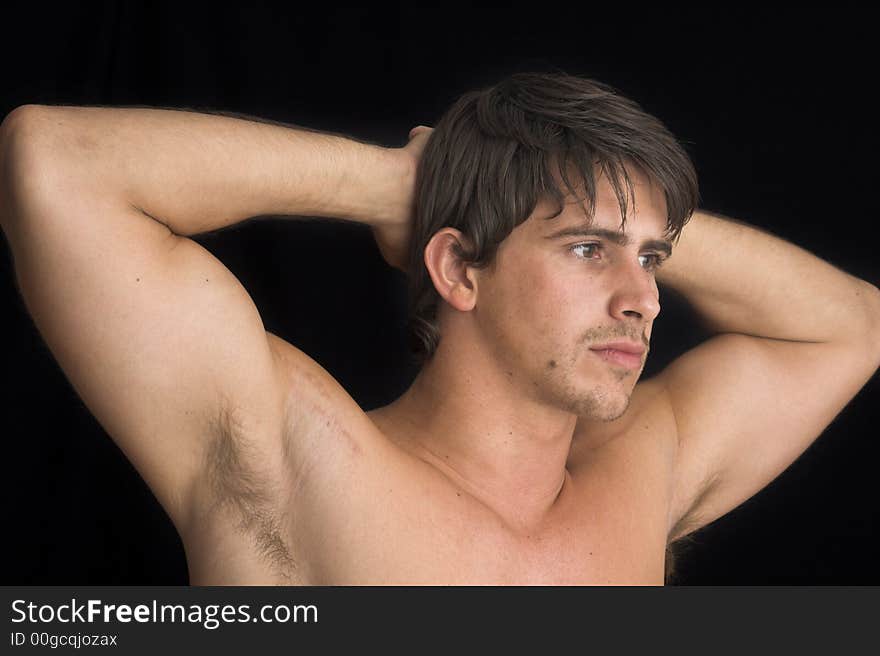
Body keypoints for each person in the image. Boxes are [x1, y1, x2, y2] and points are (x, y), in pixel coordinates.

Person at [1, 72, 877, 585]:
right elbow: (58, 165)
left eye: (653, 261)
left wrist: (623, 215)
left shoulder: (644, 475)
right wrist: (398, 188)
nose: (643, 299)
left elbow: (853, 326)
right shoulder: (296, 460)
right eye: (586, 250)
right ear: (458, 268)